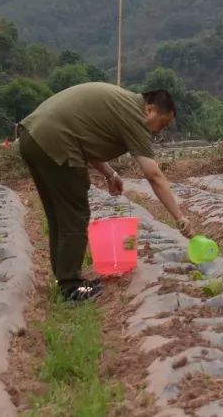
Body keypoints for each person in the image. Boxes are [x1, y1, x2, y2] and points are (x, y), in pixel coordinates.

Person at [18, 82, 194, 302]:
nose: (160, 130)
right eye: (163, 123)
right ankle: (70, 287)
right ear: (150, 110)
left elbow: (86, 138)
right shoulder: (135, 116)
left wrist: (110, 174)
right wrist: (179, 216)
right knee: (75, 214)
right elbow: (153, 175)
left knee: (59, 215)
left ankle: (64, 279)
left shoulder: (123, 104)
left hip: (32, 136)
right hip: (54, 139)